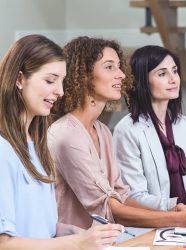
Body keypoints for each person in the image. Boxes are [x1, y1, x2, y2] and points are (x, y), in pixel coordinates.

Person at [48, 37, 186, 231]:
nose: (122, 75)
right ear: (83, 75)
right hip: (77, 242)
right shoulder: (67, 136)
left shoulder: (102, 131)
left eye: (119, 67)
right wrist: (181, 218)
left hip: (108, 239)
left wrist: (176, 211)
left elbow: (123, 197)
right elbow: (112, 208)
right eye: (109, 67)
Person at [0, 34, 123, 250]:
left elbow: (40, 227)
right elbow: (4, 243)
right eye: (50, 80)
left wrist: (82, 234)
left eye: (62, 81)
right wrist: (78, 242)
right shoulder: (3, 150)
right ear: (19, 79)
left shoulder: (38, 143)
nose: (60, 91)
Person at [113, 45, 186, 210]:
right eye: (162, 73)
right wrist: (178, 204)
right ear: (142, 81)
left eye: (175, 71)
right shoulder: (127, 130)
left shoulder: (184, 124)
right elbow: (134, 196)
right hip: (153, 224)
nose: (173, 79)